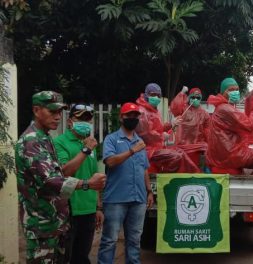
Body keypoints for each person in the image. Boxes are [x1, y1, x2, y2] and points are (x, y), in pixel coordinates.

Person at [15, 91, 106, 263]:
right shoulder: (31, 141)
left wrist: (97, 205)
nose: (57, 117)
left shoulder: (45, 138)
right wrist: (87, 184)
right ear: (36, 110)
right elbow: (52, 180)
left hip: (55, 223)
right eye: (52, 111)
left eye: (59, 112)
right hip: (42, 226)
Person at [98, 102, 154, 264]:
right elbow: (110, 162)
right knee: (110, 240)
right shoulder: (112, 139)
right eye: (129, 116)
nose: (133, 119)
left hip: (138, 199)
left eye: (136, 116)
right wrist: (131, 151)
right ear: (121, 117)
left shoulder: (140, 141)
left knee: (135, 241)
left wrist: (149, 191)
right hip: (116, 199)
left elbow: (144, 168)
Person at [53, 104, 103, 264]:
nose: (84, 122)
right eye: (80, 118)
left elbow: (95, 177)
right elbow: (64, 172)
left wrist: (98, 208)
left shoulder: (91, 144)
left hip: (88, 209)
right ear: (69, 122)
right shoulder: (60, 142)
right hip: (69, 211)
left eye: (87, 119)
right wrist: (86, 150)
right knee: (64, 257)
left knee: (82, 257)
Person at [206, 77, 253, 174]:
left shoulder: (223, 107)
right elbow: (249, 125)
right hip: (229, 154)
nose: (235, 92)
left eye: (236, 90)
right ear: (223, 92)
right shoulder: (226, 109)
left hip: (225, 152)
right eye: (230, 90)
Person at [135, 83, 199, 173]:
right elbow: (146, 134)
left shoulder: (154, 110)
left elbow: (158, 128)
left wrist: (171, 124)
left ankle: (194, 177)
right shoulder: (142, 111)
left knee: (180, 153)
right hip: (148, 151)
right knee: (177, 156)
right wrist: (162, 136)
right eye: (153, 95)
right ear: (146, 95)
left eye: (158, 95)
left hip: (158, 147)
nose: (156, 98)